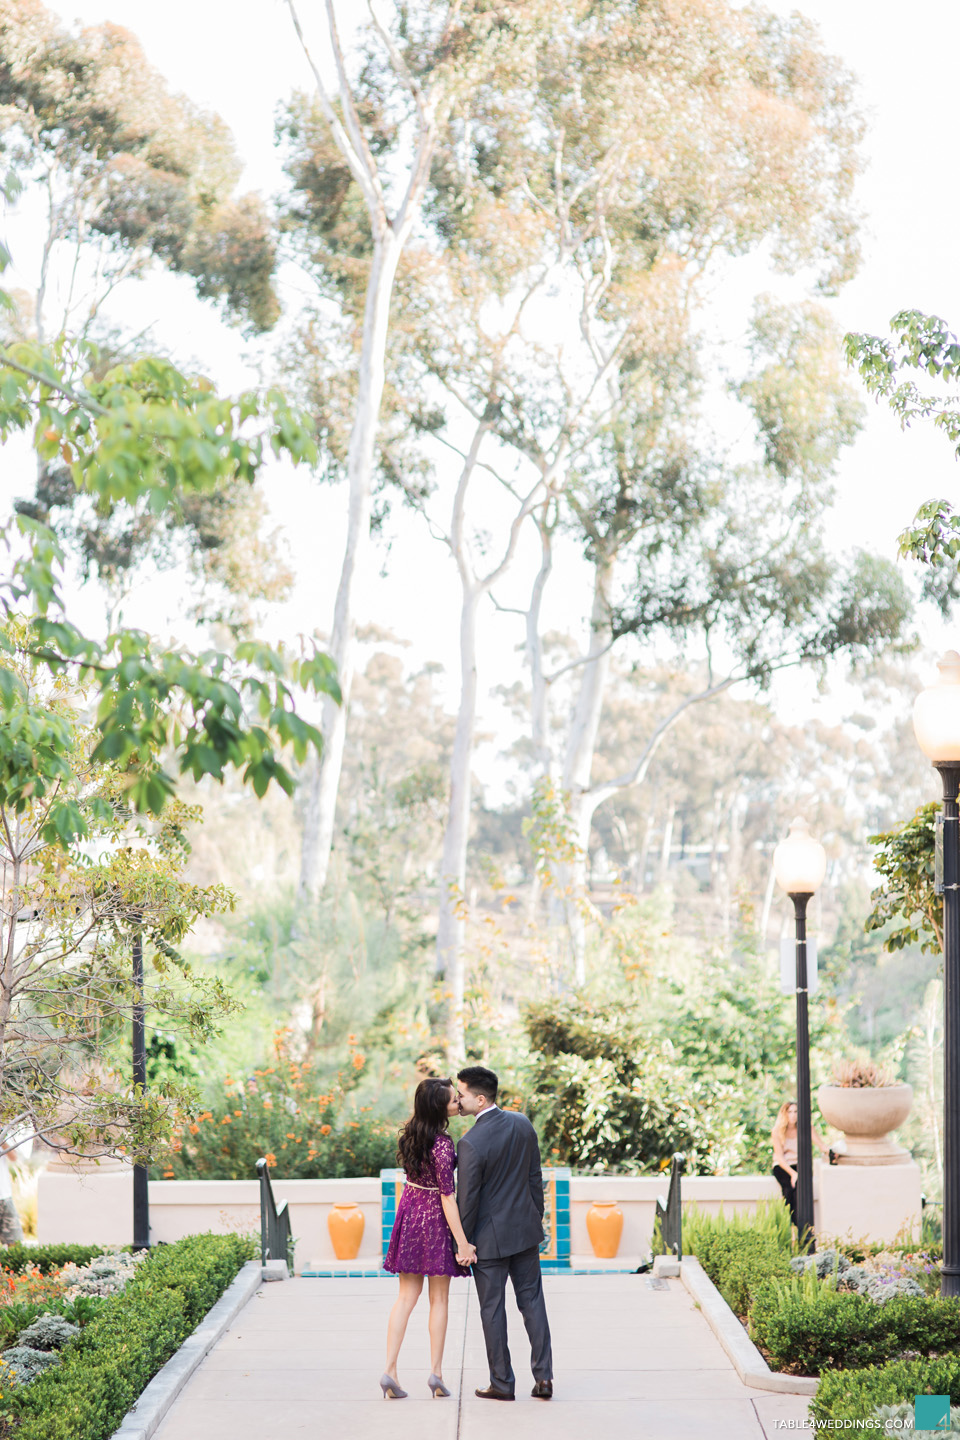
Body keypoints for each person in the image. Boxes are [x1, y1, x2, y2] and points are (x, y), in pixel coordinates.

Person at [455, 1064, 553, 1403]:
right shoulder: (522, 1123)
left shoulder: (469, 1143)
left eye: (462, 1094)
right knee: (533, 1303)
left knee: (492, 1311)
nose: (457, 1099)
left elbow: (467, 1199)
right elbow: (534, 1177)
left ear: (480, 1100)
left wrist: (463, 1243)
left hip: (488, 1242)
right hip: (525, 1232)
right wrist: (533, 1218)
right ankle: (544, 1380)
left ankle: (502, 1383)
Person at [381, 1077, 476, 1400]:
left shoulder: (411, 1135)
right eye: (453, 1101)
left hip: (409, 1212)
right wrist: (462, 1243)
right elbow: (448, 1197)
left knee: (405, 1297)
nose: (458, 1103)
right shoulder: (442, 1143)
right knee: (439, 1299)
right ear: (440, 1109)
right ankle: (436, 1372)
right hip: (434, 1217)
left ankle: (389, 1370)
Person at [771, 1099, 830, 1229]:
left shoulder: (807, 1128)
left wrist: (831, 1152)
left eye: (796, 1111)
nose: (793, 1115)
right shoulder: (777, 1131)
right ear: (784, 1113)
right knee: (788, 1191)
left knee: (800, 1191)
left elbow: (821, 1145)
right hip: (783, 1166)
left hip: (800, 1165)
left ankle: (802, 1228)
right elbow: (779, 1158)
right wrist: (793, 1174)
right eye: (790, 1112)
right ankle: (796, 1226)